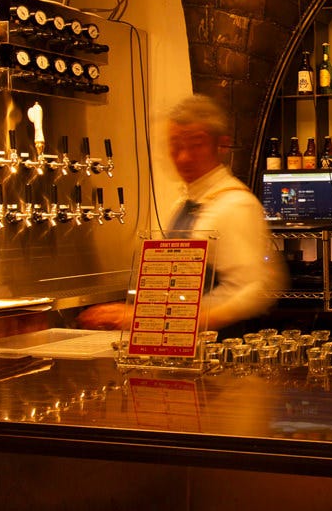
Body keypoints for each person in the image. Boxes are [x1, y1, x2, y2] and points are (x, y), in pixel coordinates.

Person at [80, 93, 287, 332]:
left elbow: (251, 290)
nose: (184, 157)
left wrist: (158, 318)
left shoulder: (235, 205)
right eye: (176, 145)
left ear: (221, 145)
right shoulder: (186, 202)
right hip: (182, 340)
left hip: (218, 345)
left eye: (197, 144)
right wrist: (143, 313)